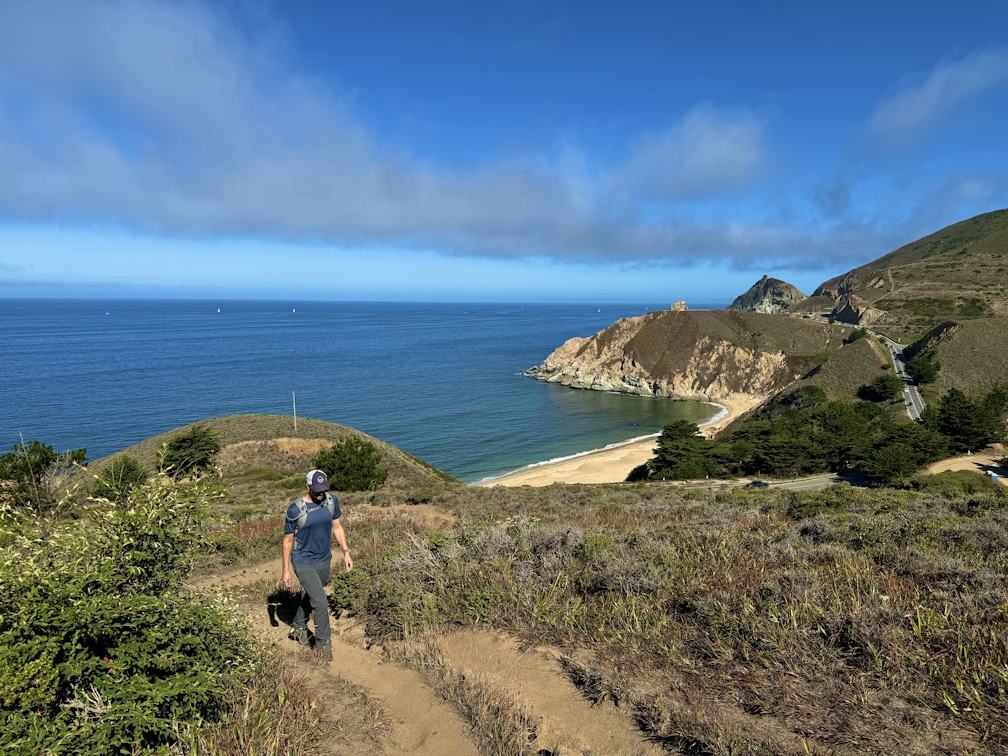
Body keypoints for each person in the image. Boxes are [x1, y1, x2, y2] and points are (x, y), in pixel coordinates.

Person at [281, 469, 353, 659]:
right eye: (317, 489)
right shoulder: (295, 509)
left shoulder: (331, 502)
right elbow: (287, 541)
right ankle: (323, 646)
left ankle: (297, 627)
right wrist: (286, 570)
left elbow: (337, 527)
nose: (321, 493)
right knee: (320, 601)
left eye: (323, 489)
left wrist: (346, 552)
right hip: (303, 561)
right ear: (308, 487)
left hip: (324, 559)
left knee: (313, 596)